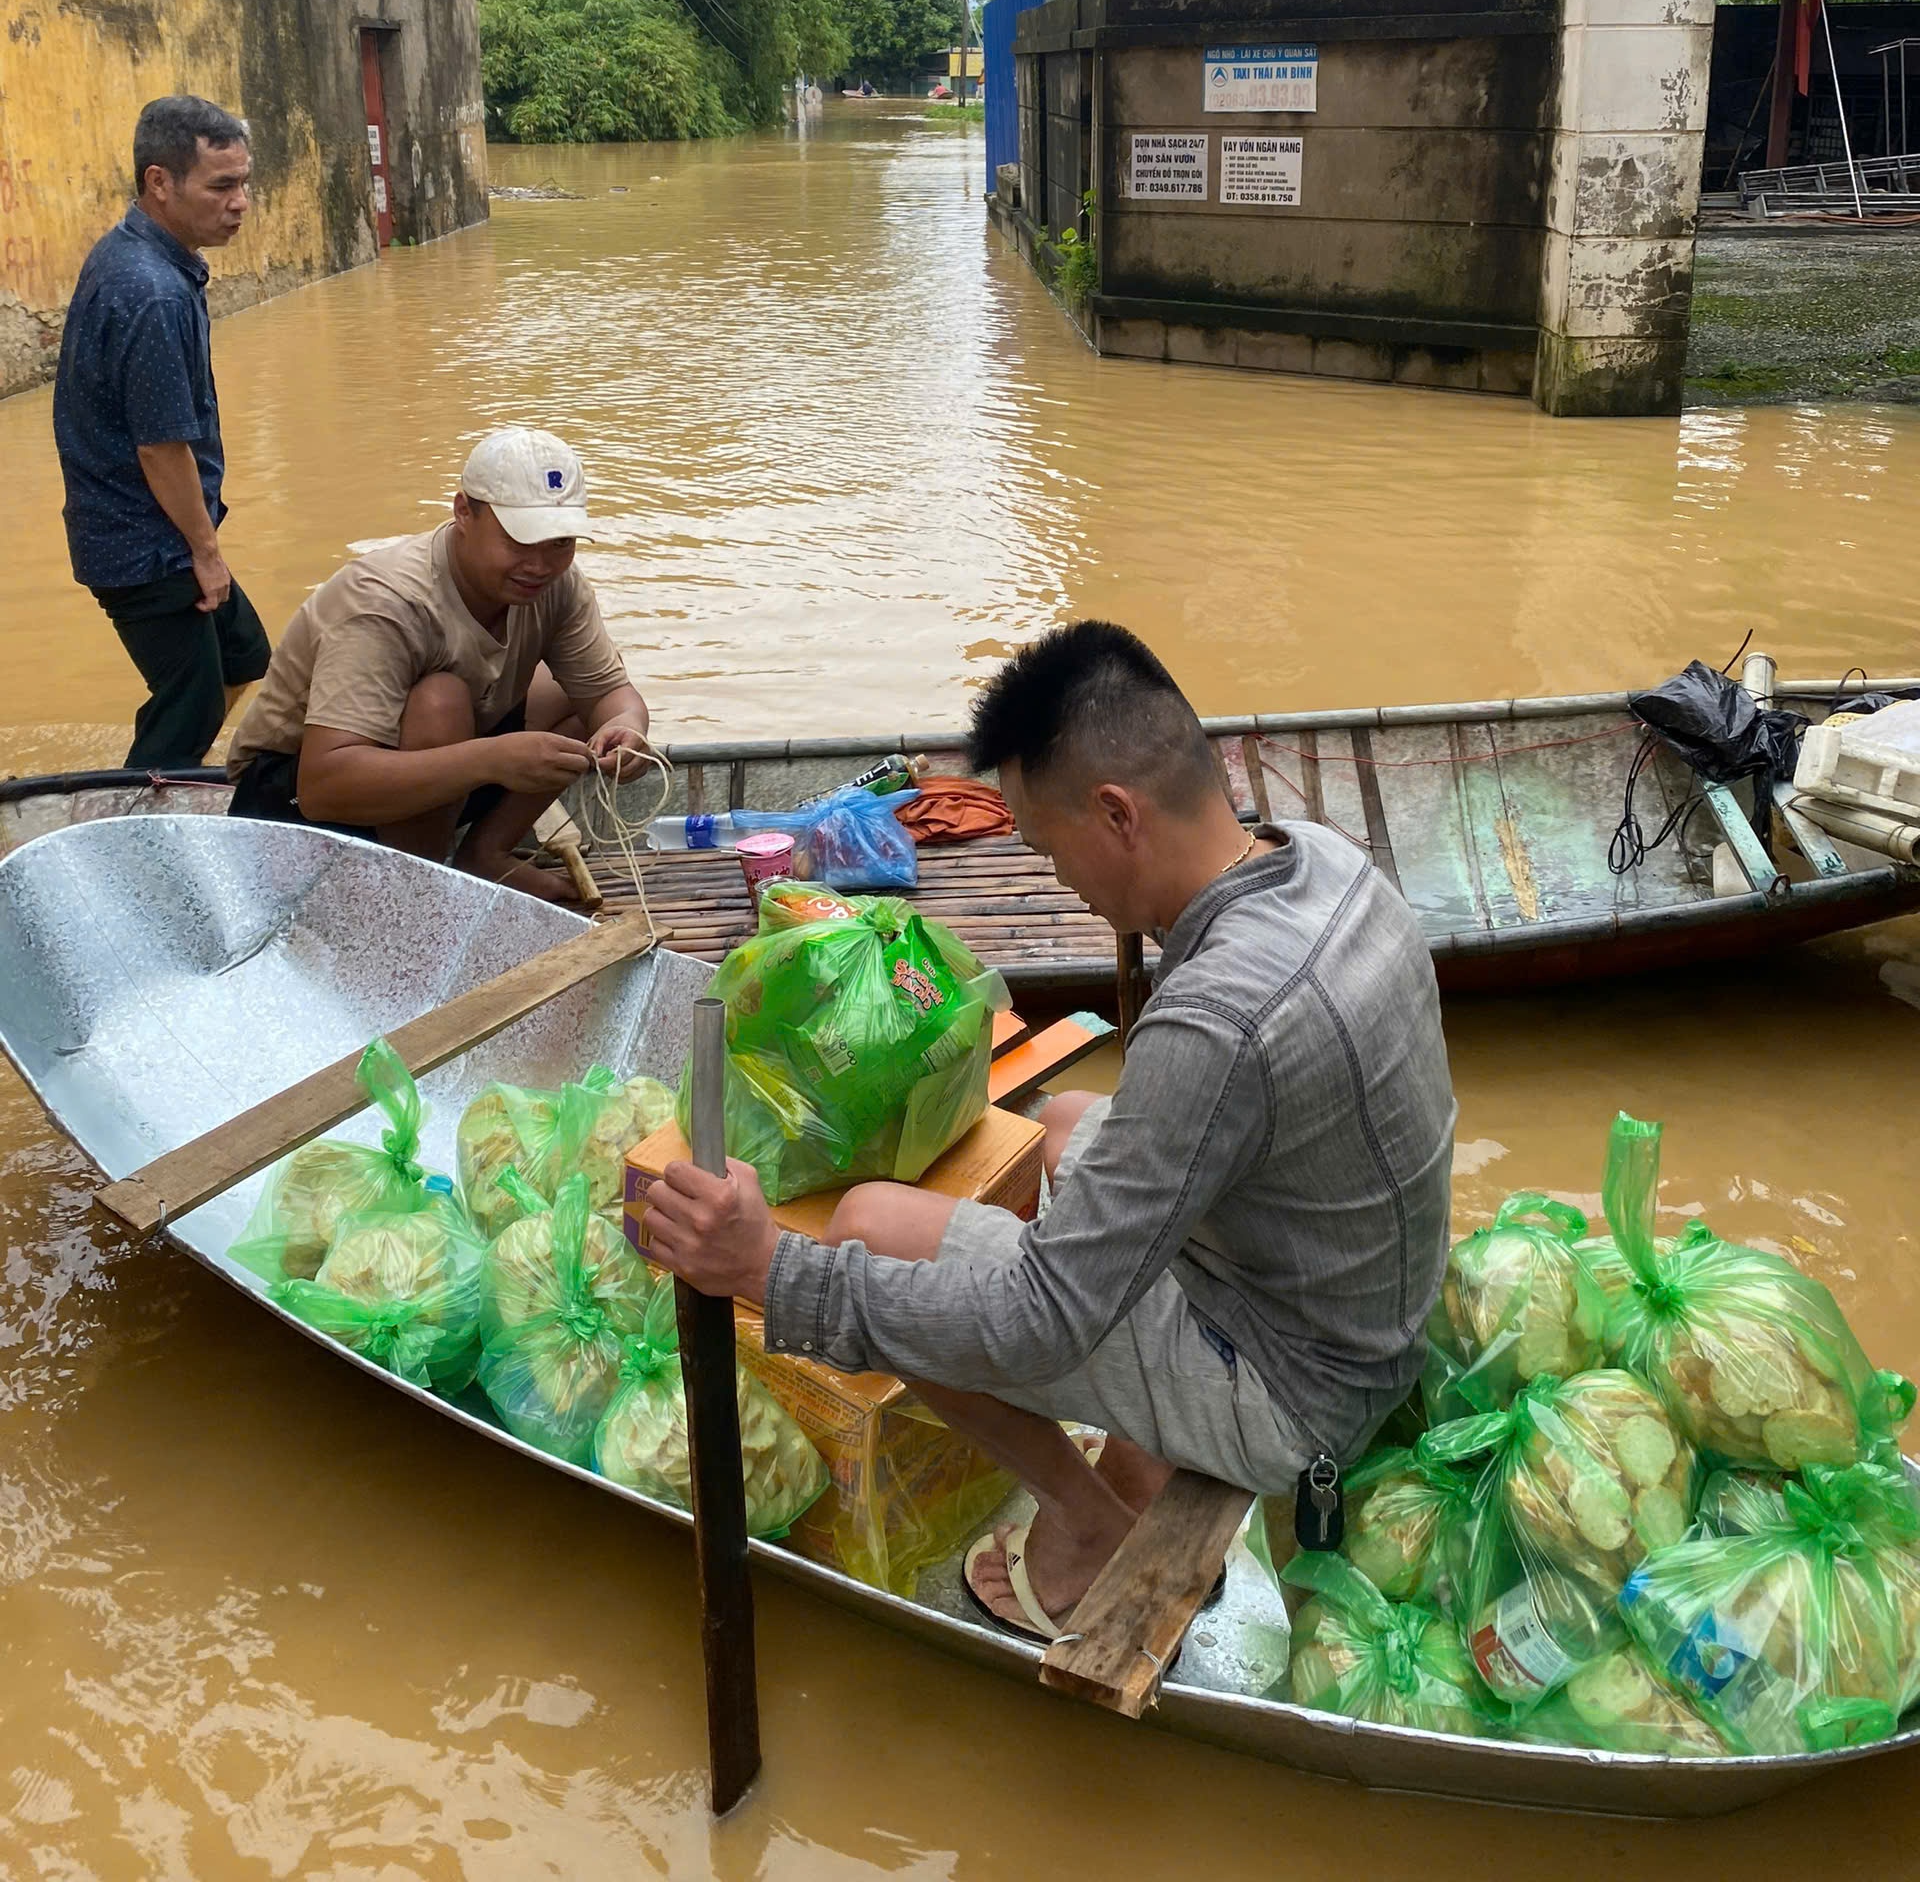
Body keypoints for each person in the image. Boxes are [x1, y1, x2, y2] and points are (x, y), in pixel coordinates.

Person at [645, 620, 1457, 1640]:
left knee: (869, 1226)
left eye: (1044, 842)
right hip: (1362, 1308)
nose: (1056, 876)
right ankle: (1133, 1447)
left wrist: (767, 1265)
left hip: (1297, 1394)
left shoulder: (1220, 1017)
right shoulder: (1325, 861)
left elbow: (1040, 1317)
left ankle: (1087, 1523)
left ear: (1116, 813)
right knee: (1066, 1118)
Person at [227, 428, 650, 902]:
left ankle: (483, 857)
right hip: (294, 807)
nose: (540, 565)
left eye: (559, 542)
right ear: (463, 512)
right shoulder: (385, 601)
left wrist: (628, 730)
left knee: (570, 693)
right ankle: (421, 893)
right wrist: (493, 759)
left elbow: (609, 692)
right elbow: (323, 788)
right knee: (440, 700)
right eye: (519, 541)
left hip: (431, 775)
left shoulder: (558, 585)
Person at [53, 95, 270, 770]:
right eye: (222, 186)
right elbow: (161, 445)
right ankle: (130, 818)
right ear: (160, 183)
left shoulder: (134, 254)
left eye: (244, 184)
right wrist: (205, 551)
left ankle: (168, 777)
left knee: (244, 654)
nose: (240, 203)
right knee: (193, 702)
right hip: (144, 543)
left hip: (150, 529)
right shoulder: (153, 292)